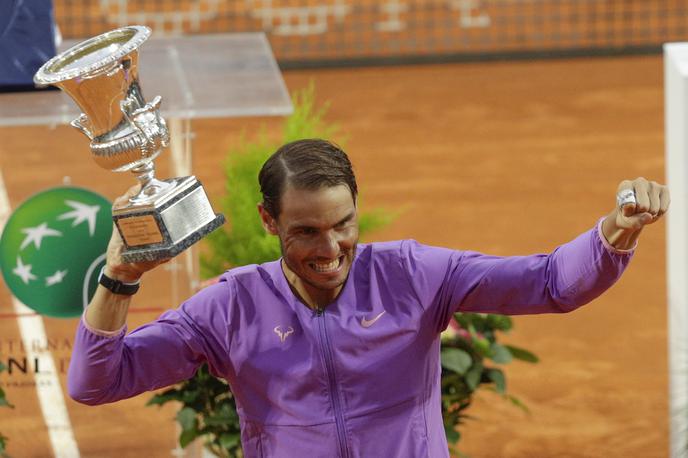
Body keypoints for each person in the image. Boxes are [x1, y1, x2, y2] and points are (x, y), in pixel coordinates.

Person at [68, 139, 670, 458]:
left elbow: (549, 283)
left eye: (344, 224)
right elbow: (98, 381)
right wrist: (118, 277)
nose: (330, 249)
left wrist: (617, 228)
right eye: (305, 230)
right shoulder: (232, 305)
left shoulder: (413, 273)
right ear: (269, 221)